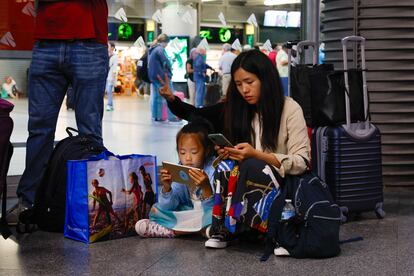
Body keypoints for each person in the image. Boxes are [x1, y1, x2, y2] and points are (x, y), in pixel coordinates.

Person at [158, 50, 310, 249]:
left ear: (266, 79)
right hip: (245, 181)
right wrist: (172, 100)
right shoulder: (236, 109)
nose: (244, 90)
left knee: (251, 166)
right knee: (225, 166)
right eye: (238, 85)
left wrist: (257, 156)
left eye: (250, 82)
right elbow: (198, 115)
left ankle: (268, 228)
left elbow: (302, 162)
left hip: (280, 183)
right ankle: (223, 228)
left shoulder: (290, 109)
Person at [16, 0, 109, 212]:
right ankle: (30, 202)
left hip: (89, 41)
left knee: (90, 130)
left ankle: (92, 203)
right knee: (39, 129)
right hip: (47, 40)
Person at [135, 118, 215, 238]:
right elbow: (168, 207)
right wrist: (167, 188)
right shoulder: (181, 171)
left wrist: (206, 187)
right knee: (157, 209)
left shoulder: (213, 169)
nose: (188, 158)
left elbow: (214, 207)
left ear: (207, 150)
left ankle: (169, 231)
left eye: (194, 152)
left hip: (207, 212)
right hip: (190, 213)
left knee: (215, 215)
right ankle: (201, 230)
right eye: (182, 153)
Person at [147, 34, 176, 122]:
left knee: (157, 98)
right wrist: (170, 64)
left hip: (154, 76)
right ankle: (171, 117)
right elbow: (165, 61)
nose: (167, 45)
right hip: (162, 78)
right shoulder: (160, 49)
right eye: (167, 43)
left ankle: (157, 117)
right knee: (169, 96)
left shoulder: (152, 49)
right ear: (164, 42)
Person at [106, 41, 118, 111]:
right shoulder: (107, 55)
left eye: (109, 46)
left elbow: (114, 68)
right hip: (106, 76)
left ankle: (109, 105)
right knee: (108, 91)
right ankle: (111, 105)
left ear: (112, 48)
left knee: (109, 91)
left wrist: (113, 78)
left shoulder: (115, 56)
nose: (108, 47)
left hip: (111, 77)